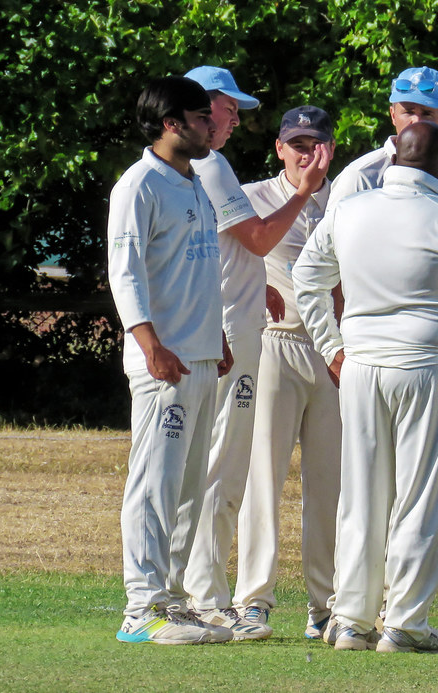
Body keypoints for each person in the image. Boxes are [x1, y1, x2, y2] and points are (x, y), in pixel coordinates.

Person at [293, 122, 438, 653]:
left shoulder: (350, 210)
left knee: (361, 496)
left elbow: (306, 277)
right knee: (422, 498)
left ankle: (350, 621)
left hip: (362, 366)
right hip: (433, 366)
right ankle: (404, 623)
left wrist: (333, 347)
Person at [180, 66, 331, 640]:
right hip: (246, 344)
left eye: (316, 144)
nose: (236, 117)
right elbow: (259, 239)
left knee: (237, 472)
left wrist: (253, 278)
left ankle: (308, 603)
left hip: (286, 345)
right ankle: (227, 599)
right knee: (229, 472)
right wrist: (301, 197)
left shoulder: (208, 169)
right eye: (227, 107)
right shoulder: (224, 174)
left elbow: (229, 249)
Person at [108, 76, 233, 644]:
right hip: (164, 361)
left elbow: (201, 269)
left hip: (202, 356)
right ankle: (142, 609)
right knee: (154, 483)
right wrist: (149, 342)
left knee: (187, 489)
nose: (212, 125)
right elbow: (124, 270)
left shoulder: (192, 182)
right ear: (171, 123)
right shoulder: (139, 185)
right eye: (202, 116)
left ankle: (174, 601)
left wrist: (219, 335)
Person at [231, 106, 342, 640]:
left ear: (330, 148)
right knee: (261, 478)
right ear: (279, 148)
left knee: (332, 484)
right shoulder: (252, 196)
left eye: (314, 143)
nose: (305, 153)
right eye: (296, 143)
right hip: (274, 345)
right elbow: (235, 255)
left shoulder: (348, 201)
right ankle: (254, 601)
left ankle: (327, 604)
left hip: (334, 352)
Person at [325, 65, 438, 208]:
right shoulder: (360, 177)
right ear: (393, 115)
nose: (416, 121)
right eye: (408, 112)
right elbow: (333, 229)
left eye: (427, 113)